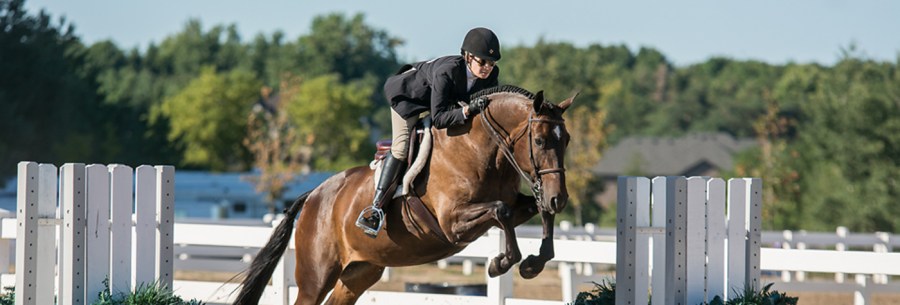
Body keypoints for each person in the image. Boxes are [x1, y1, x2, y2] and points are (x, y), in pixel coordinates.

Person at [356, 27, 502, 237]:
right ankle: (376, 208)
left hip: (441, 103)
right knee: (401, 147)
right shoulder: (448, 71)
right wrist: (467, 110)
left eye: (492, 63)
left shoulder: (490, 76)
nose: (487, 67)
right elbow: (441, 118)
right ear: (468, 57)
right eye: (482, 61)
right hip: (408, 99)